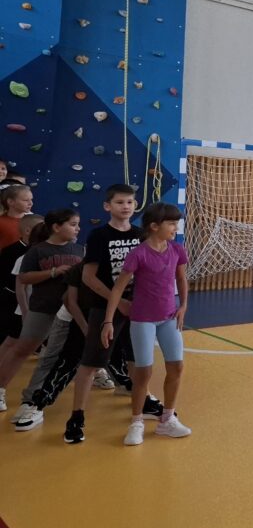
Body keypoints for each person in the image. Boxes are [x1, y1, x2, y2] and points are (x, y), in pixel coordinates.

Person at [64, 184, 163, 445]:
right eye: (120, 202)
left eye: (130, 202)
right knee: (92, 362)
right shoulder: (99, 235)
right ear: (108, 206)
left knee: (137, 360)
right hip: (106, 307)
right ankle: (76, 416)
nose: (126, 206)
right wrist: (117, 303)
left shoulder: (141, 234)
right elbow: (89, 277)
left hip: (138, 308)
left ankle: (144, 400)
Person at [103, 203, 190, 446]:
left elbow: (181, 279)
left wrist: (183, 306)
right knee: (143, 372)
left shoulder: (177, 250)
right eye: (171, 223)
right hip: (142, 320)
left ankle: (167, 419)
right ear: (154, 226)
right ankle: (136, 422)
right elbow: (117, 289)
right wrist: (108, 321)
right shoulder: (138, 254)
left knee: (177, 367)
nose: (175, 228)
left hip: (169, 318)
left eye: (176, 223)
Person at [0, 210, 84, 413]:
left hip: (69, 310)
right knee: (22, 349)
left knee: (54, 355)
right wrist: (53, 272)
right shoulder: (37, 250)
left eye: (78, 224)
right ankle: (1, 389)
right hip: (42, 307)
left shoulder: (79, 249)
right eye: (73, 224)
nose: (78, 229)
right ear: (57, 227)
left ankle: (34, 397)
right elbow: (24, 278)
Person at [0, 215, 44, 369]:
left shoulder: (43, 251)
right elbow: (15, 283)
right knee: (11, 339)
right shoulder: (15, 253)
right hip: (15, 301)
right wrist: (24, 309)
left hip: (36, 304)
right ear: (28, 231)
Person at [0, 184, 34, 249]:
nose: (31, 203)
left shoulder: (35, 221)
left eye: (31, 199)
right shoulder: (1, 222)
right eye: (26, 200)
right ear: (10, 202)